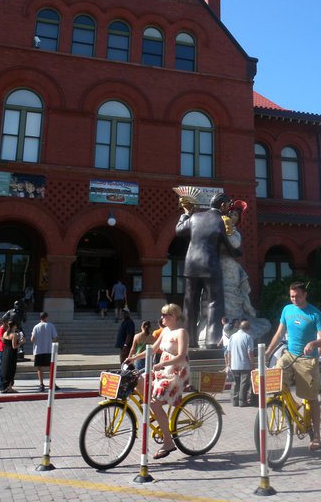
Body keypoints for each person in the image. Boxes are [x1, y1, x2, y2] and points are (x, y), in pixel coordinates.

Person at [265, 281, 321, 451]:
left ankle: (316, 436)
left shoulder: (315, 313)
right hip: (290, 354)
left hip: (307, 359)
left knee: (311, 397)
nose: (294, 299)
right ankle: (294, 403)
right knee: (275, 377)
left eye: (298, 296)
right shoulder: (287, 310)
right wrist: (268, 352)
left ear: (305, 295)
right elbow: (279, 334)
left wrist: (314, 343)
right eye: (292, 296)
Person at [175, 192, 241, 348]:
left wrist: (185, 214)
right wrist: (237, 251)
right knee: (214, 303)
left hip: (191, 266)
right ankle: (212, 340)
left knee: (190, 303)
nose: (229, 208)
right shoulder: (221, 221)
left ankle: (189, 341)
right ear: (222, 205)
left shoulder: (195, 217)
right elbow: (230, 246)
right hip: (210, 266)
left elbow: (178, 231)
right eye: (228, 205)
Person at [126, 303, 190, 460]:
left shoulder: (181, 332)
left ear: (173, 316)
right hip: (163, 370)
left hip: (176, 372)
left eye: (165, 315)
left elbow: (182, 356)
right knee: (139, 379)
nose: (161, 318)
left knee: (154, 403)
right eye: (162, 314)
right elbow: (152, 349)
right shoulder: (165, 331)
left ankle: (168, 442)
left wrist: (162, 364)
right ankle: (156, 411)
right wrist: (133, 357)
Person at [219, 201, 271, 341]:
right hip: (216, 265)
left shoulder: (235, 232)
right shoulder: (217, 227)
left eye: (235, 215)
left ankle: (234, 324)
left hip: (230, 266)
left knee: (232, 292)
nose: (232, 216)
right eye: (231, 213)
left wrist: (228, 230)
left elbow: (235, 244)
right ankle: (222, 326)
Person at [225, 319, 254, 407]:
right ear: (248, 328)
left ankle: (235, 401)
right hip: (245, 365)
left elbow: (228, 351)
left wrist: (229, 364)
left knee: (236, 383)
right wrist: (253, 365)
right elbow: (250, 353)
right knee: (244, 384)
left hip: (234, 365)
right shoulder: (248, 337)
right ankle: (242, 402)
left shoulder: (232, 336)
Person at [30, 311, 59, 392]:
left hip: (38, 350)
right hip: (48, 350)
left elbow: (32, 339)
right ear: (46, 317)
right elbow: (55, 337)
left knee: (39, 368)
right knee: (51, 368)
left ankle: (41, 384)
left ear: (40, 318)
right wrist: (49, 340)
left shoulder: (36, 327)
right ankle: (53, 384)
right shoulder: (50, 326)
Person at [0, 317, 23, 393]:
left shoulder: (5, 333)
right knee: (11, 370)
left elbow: (3, 341)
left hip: (5, 351)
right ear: (14, 326)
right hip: (11, 353)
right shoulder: (14, 334)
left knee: (5, 369)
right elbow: (14, 346)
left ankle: (5, 387)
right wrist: (21, 342)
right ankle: (9, 388)